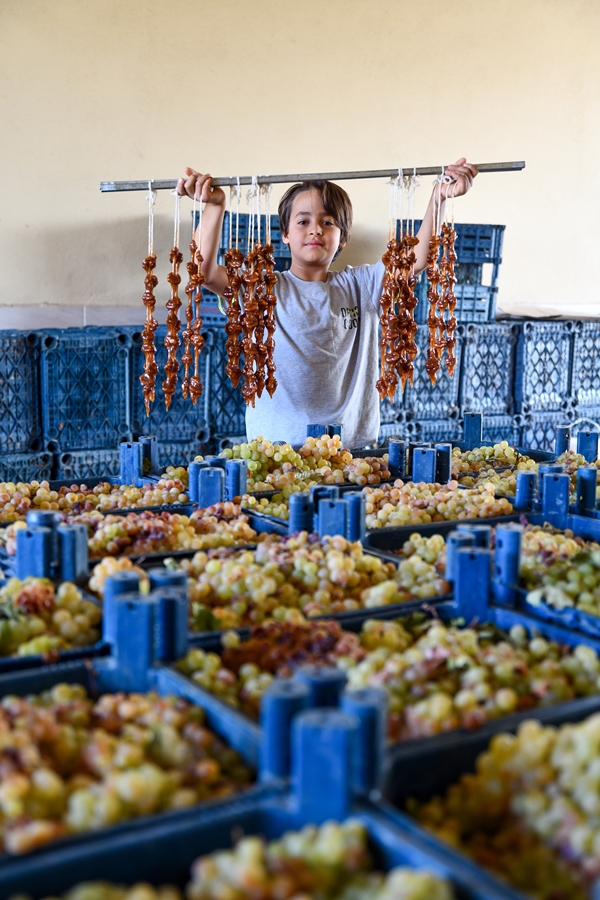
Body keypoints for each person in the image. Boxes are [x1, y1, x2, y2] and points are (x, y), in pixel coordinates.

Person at [177, 160, 478, 449]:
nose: (315, 229)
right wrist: (215, 204)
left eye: (328, 222)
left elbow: (417, 259)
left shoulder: (363, 286)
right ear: (284, 234)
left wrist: (439, 197)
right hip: (276, 448)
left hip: (351, 449)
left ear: (343, 238)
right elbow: (202, 271)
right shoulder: (264, 290)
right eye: (303, 221)